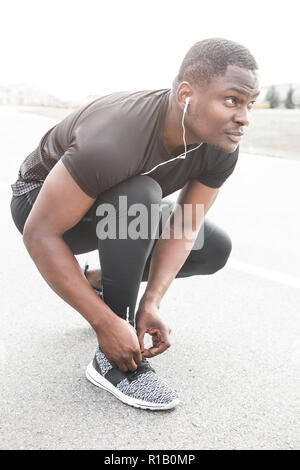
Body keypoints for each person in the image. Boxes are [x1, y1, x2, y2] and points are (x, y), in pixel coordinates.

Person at [10, 38, 260, 410]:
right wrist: (105, 324)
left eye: (249, 104)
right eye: (231, 100)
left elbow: (184, 225)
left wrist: (153, 300)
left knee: (211, 248)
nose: (244, 117)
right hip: (42, 207)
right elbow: (40, 233)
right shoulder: (115, 137)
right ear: (186, 95)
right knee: (141, 194)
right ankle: (114, 361)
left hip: (118, 207)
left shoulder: (221, 146)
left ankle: (98, 282)